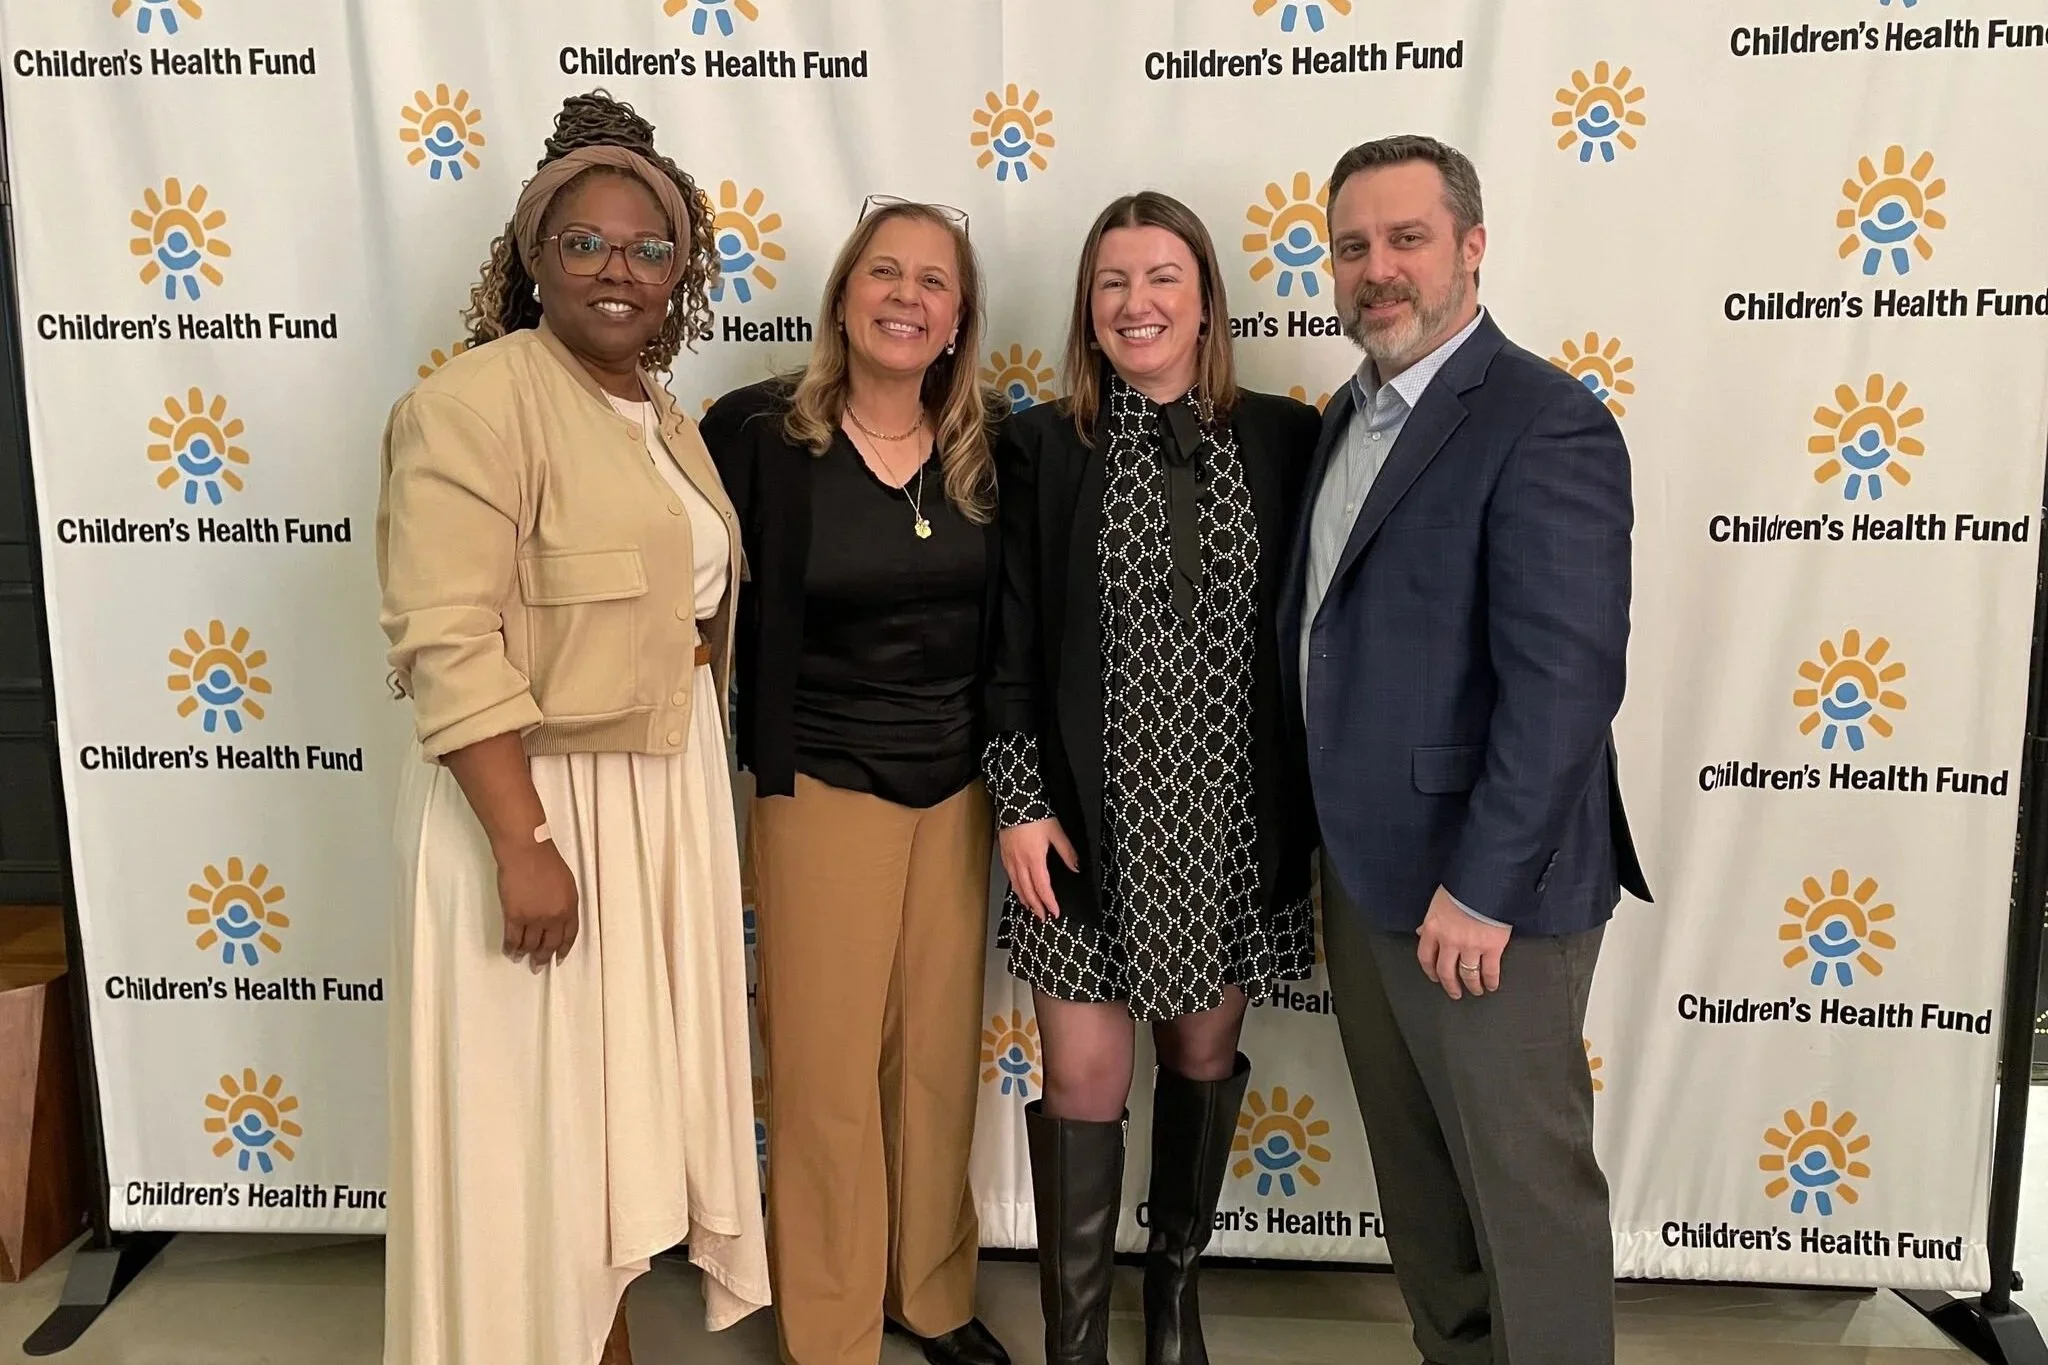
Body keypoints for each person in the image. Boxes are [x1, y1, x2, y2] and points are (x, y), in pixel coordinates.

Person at [376, 91, 769, 1365]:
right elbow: (448, 638)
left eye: (649, 249)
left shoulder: (660, 414)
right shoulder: (474, 403)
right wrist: (523, 839)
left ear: (681, 273)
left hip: (653, 803)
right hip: (540, 806)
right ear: (532, 257)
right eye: (586, 243)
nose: (619, 270)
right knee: (526, 1141)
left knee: (596, 1141)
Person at [1283, 134, 1651, 1365]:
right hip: (1367, 878)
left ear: (1471, 248)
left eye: (1405, 240)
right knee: (1425, 1198)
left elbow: (1564, 686)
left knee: (1524, 1201)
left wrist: (1483, 891)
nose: (1374, 270)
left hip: (1488, 900)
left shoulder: (1543, 421)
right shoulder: (1345, 414)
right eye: (1350, 247)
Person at [986, 190, 1320, 1365]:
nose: (1137, 304)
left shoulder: (1283, 437)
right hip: (1080, 822)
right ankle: (1073, 1339)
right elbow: (1009, 644)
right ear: (1087, 305)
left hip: (1227, 819)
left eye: (1161, 278)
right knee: (1082, 1076)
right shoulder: (1039, 447)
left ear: (1204, 298)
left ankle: (1172, 1293)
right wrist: (1018, 799)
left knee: (1197, 1056)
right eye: (1113, 282)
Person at [700, 199, 1010, 1365]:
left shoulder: (989, 449)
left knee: (932, 1056)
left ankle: (927, 1292)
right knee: (825, 1065)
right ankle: (828, 1325)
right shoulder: (758, 433)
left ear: (957, 318)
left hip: (958, 789)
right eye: (884, 271)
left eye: (934, 282)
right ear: (842, 293)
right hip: (819, 781)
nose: (906, 297)